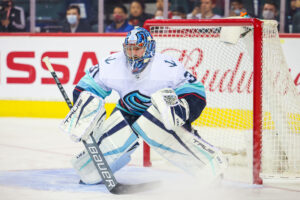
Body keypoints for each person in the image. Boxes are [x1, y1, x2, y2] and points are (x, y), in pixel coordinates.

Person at [72, 27, 207, 183]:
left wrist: (182, 114)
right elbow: (85, 88)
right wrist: (86, 113)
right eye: (129, 49)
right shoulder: (112, 64)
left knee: (177, 139)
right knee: (109, 141)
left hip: (160, 114)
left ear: (149, 48)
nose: (133, 53)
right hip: (127, 110)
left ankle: (206, 166)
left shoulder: (167, 67)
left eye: (137, 48)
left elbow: (196, 93)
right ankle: (93, 172)